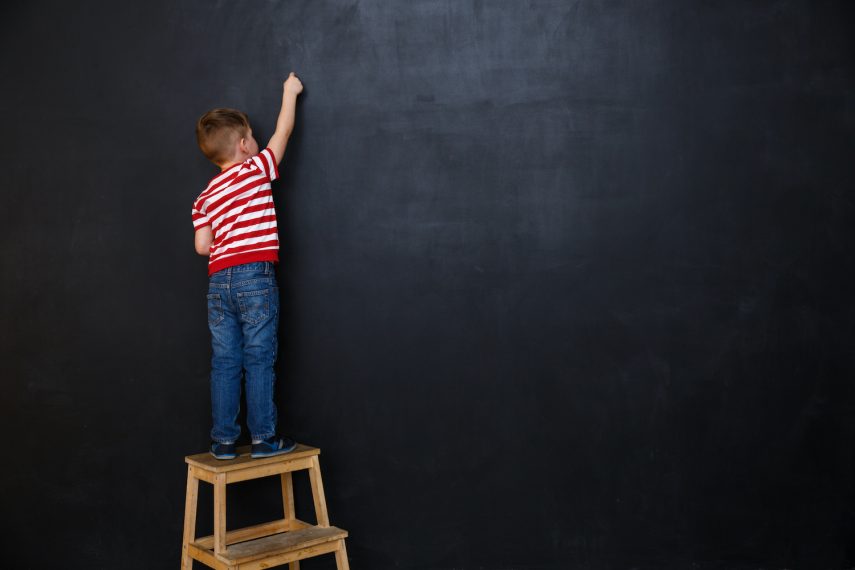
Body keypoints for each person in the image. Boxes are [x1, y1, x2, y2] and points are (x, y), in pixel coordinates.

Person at [191, 73, 304, 459]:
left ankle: (223, 441)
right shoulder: (255, 170)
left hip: (219, 281)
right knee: (259, 357)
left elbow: (202, 246)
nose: (257, 142)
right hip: (255, 274)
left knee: (225, 361)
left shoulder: (204, 198)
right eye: (252, 137)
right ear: (243, 145)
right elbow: (284, 131)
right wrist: (290, 92)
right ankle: (263, 439)